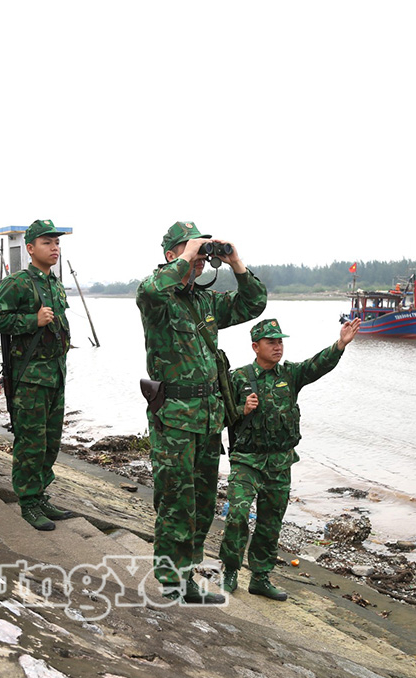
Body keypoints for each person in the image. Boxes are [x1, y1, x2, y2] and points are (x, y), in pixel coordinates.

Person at [136, 221, 267, 604]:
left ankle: (188, 574)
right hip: (174, 418)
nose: (198, 257)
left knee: (203, 502)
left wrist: (235, 262)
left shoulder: (205, 302)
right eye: (189, 249)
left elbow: (253, 303)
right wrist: (188, 254)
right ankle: (173, 582)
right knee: (176, 502)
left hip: (209, 418)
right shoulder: (158, 299)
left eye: (201, 250)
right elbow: (151, 289)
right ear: (170, 256)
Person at [219, 317, 360, 600]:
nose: (278, 347)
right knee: (237, 515)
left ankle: (260, 578)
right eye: (271, 342)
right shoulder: (238, 378)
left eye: (280, 342)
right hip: (247, 460)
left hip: (280, 463)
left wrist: (340, 344)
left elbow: (317, 365)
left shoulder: (290, 375)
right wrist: (241, 409)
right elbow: (218, 416)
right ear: (255, 346)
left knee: (271, 523)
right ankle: (230, 570)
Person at [0, 220, 73, 531]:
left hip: (56, 374)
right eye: (47, 243)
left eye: (57, 243)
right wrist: (31, 320)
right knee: (31, 443)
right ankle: (28, 502)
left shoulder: (55, 284)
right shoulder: (19, 283)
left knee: (50, 442)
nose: (54, 248)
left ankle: (40, 494)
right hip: (31, 377)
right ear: (31, 248)